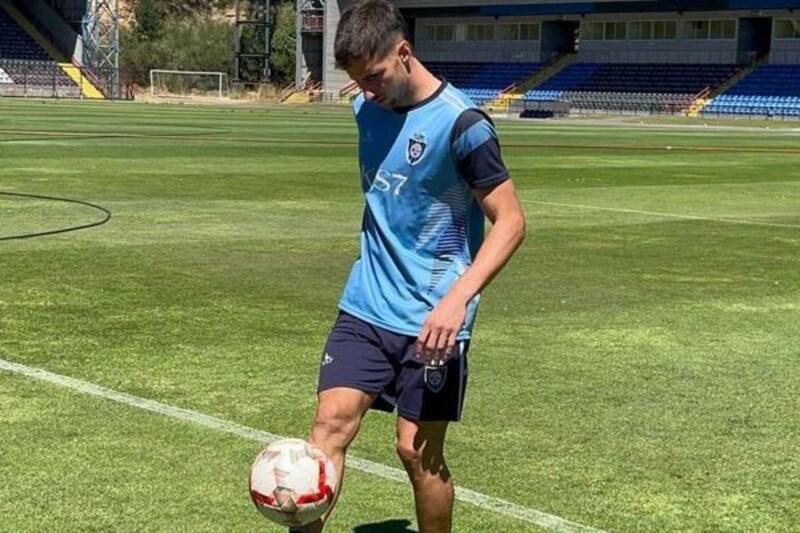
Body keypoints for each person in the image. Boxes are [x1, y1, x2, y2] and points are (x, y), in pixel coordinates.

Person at [293, 1, 526, 531]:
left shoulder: (464, 126)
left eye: (374, 77)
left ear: (405, 52)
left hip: (433, 321)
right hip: (365, 305)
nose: (367, 93)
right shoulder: (365, 109)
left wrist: (456, 300)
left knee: (416, 454)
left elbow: (510, 222)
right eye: (357, 83)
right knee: (327, 430)